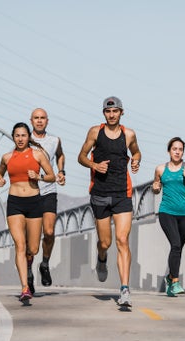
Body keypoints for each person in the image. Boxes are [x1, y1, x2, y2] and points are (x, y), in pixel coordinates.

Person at [77, 96, 141, 307]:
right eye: (108, 111)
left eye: (115, 111)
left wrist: (137, 160)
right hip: (100, 193)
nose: (111, 115)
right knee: (106, 242)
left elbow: (136, 152)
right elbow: (82, 156)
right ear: (104, 113)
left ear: (122, 112)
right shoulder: (95, 132)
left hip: (123, 192)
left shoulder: (129, 134)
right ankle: (102, 257)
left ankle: (124, 289)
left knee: (122, 240)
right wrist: (94, 166)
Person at [0, 122, 56, 302]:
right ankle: (24, 288)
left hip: (34, 202)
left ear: (28, 136)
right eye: (17, 136)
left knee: (33, 248)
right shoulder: (7, 157)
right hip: (15, 203)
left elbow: (52, 176)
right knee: (20, 246)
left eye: (23, 135)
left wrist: (39, 177)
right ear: (13, 137)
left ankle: (30, 266)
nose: (20, 139)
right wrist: (0, 180)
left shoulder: (38, 155)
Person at [152, 137, 185, 297]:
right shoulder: (160, 169)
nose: (177, 152)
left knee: (178, 248)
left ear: (183, 152)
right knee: (175, 244)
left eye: (180, 149)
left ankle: (169, 278)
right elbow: (156, 188)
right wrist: (155, 188)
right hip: (166, 212)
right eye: (174, 149)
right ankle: (175, 282)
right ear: (169, 151)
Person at [29, 108, 66, 291]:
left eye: (42, 118)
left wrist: (61, 172)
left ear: (47, 121)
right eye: (36, 118)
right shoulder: (23, 140)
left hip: (49, 189)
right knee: (31, 239)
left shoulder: (54, 140)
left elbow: (60, 155)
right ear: (31, 120)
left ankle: (44, 263)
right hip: (30, 192)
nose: (39, 121)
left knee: (49, 232)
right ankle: (28, 272)